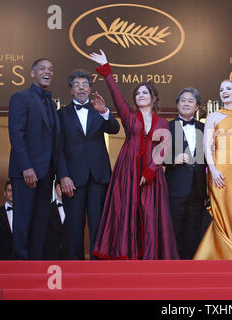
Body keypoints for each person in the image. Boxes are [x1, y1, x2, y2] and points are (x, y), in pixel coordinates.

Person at [89, 50, 178, 260]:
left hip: (152, 174)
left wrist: (150, 171)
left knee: (150, 214)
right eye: (137, 94)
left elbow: (163, 149)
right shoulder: (129, 117)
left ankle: (149, 256)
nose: (140, 96)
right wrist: (106, 70)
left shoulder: (163, 122)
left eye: (144, 93)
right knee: (127, 211)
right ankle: (126, 253)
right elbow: (116, 96)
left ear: (154, 97)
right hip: (127, 170)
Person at [57, 69, 120, 260]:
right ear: (70, 90)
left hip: (98, 176)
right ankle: (74, 269)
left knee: (98, 225)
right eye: (76, 85)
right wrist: (62, 176)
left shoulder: (98, 109)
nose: (81, 88)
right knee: (73, 226)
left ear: (91, 88)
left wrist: (105, 112)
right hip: (72, 179)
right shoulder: (61, 114)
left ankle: (98, 270)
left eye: (85, 84)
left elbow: (115, 129)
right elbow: (57, 149)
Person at [193, 79, 232, 260]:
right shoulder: (213, 117)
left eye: (228, 89)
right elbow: (206, 145)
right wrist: (212, 170)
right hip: (219, 170)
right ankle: (222, 255)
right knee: (220, 212)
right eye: (221, 89)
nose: (224, 92)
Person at [8, 58, 60, 260]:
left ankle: (35, 266)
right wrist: (26, 168)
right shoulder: (20, 98)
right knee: (23, 220)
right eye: (42, 68)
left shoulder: (52, 104)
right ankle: (20, 266)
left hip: (47, 174)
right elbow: (16, 135)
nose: (47, 71)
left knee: (40, 222)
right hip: (26, 173)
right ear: (32, 73)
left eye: (50, 69)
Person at [164, 87, 207, 259]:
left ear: (197, 106)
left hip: (198, 189)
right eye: (183, 100)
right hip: (175, 188)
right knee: (175, 231)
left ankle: (192, 272)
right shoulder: (166, 126)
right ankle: (174, 271)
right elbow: (155, 155)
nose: (186, 103)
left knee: (194, 232)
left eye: (190, 101)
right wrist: (172, 159)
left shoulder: (204, 128)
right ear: (177, 104)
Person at [43, 182, 68, 260]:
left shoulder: (75, 209)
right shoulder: (46, 209)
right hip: (50, 255)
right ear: (55, 189)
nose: (62, 188)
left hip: (69, 255)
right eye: (59, 186)